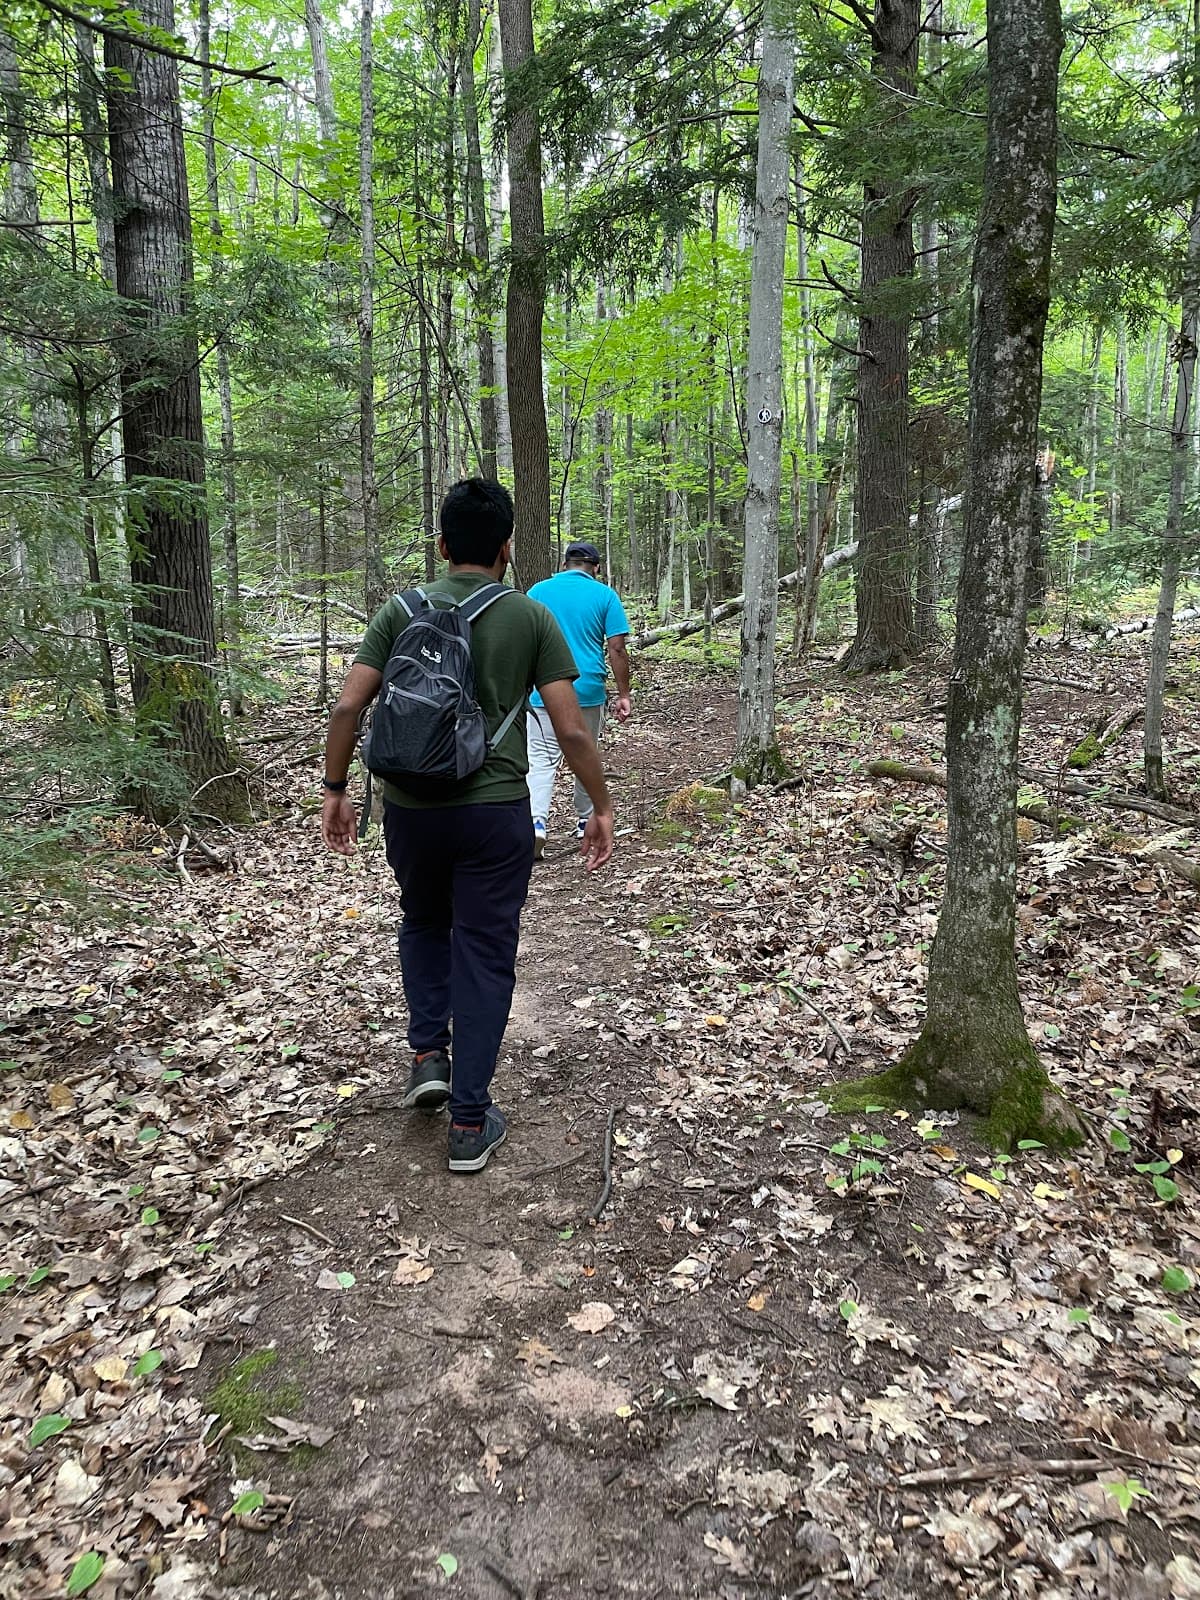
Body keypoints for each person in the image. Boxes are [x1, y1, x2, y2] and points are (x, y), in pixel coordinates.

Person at [320, 480, 614, 1174]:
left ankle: (428, 1054)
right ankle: (470, 1122)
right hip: (494, 812)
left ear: (444, 544)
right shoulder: (529, 618)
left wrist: (335, 790)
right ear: (507, 549)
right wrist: (600, 805)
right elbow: (570, 727)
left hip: (411, 810)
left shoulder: (401, 610)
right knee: (484, 951)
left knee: (422, 922)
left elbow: (346, 710)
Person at [525, 540, 631, 859]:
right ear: (595, 568)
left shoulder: (537, 592)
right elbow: (617, 649)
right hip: (586, 689)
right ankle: (586, 819)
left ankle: (535, 823)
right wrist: (624, 693)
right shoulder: (605, 595)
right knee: (584, 752)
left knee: (540, 758)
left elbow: (523, 641)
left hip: (542, 689)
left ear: (565, 564)